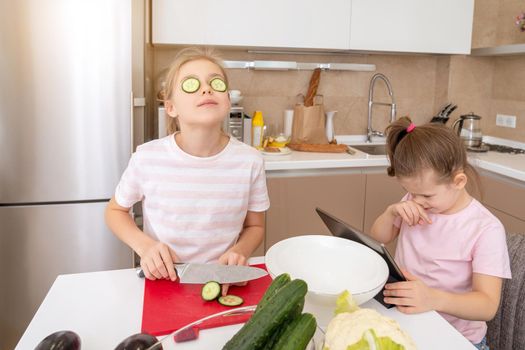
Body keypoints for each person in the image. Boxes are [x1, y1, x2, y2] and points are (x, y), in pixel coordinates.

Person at [105, 47, 270, 294]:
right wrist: (145, 247)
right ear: (171, 107)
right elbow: (115, 211)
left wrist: (240, 251)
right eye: (191, 84)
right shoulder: (148, 157)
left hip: (224, 282)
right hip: (163, 282)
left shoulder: (250, 161)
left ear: (227, 101)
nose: (207, 88)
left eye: (216, 82)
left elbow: (255, 227)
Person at [370, 117, 511, 349]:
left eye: (426, 196)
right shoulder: (414, 201)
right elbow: (379, 237)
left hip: (456, 338)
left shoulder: (485, 229)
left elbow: (487, 305)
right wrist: (390, 213)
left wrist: (432, 298)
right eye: (408, 192)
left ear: (459, 181)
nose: (417, 201)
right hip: (410, 322)